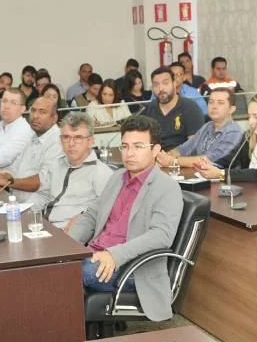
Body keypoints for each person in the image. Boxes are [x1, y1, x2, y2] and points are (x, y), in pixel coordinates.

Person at [68, 115, 183, 323]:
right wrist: (67, 245)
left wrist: (114, 254)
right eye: (125, 146)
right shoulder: (117, 177)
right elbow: (92, 216)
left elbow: (161, 236)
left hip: (132, 268)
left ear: (155, 150)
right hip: (96, 255)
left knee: (68, 273)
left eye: (138, 146)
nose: (129, 153)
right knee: (54, 266)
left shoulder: (167, 187)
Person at [41, 112, 114, 230]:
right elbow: (43, 194)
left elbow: (105, 211)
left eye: (78, 138)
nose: (71, 144)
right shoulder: (56, 165)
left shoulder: (101, 173)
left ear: (91, 141)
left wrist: (82, 219)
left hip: (72, 231)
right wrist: (22, 211)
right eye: (66, 137)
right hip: (44, 226)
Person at [0, 97, 62, 203]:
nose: (35, 116)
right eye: (33, 110)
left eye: (42, 112)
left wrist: (7, 182)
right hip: (16, 202)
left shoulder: (58, 141)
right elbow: (14, 169)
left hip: (38, 211)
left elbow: (41, 182)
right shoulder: (33, 137)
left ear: (54, 118)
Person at [145, 66, 205, 166]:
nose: (161, 89)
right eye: (156, 85)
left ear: (174, 84)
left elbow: (195, 148)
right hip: (154, 163)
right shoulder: (148, 109)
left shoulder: (190, 108)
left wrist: (171, 160)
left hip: (181, 165)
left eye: (165, 83)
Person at [173, 88, 244, 169]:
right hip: (199, 175)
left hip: (221, 179)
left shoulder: (234, 132)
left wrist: (173, 161)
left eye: (220, 103)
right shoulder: (207, 126)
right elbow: (184, 149)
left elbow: (210, 160)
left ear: (231, 109)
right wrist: (167, 156)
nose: (214, 106)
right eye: (211, 102)